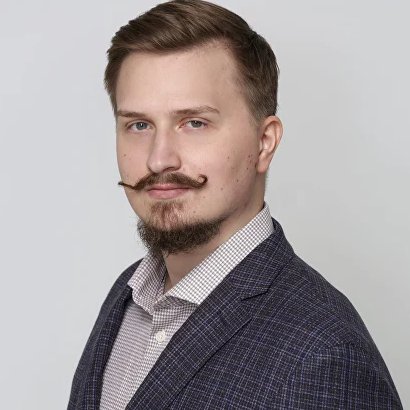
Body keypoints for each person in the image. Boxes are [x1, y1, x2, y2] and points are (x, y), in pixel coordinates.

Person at [68, 1, 403, 408]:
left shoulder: (324, 353)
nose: (159, 159)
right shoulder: (128, 294)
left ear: (264, 143)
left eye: (195, 123)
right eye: (139, 125)